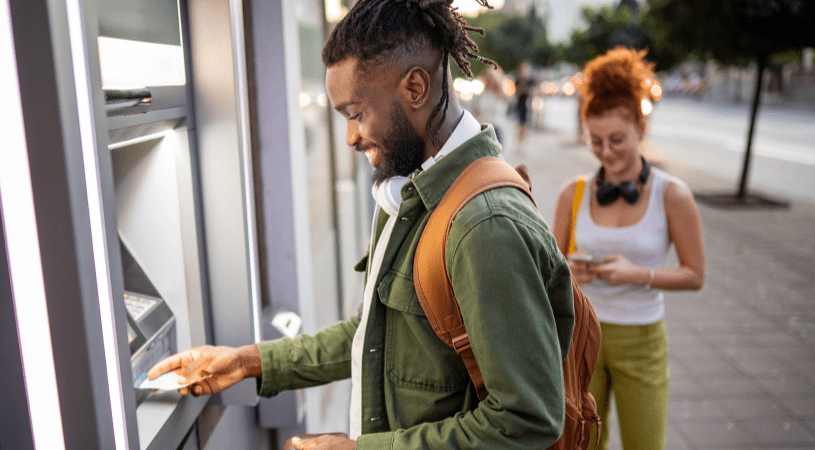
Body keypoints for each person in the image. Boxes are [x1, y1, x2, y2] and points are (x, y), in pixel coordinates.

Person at [148, 1, 575, 449]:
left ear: (414, 87)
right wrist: (249, 362)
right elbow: (376, 335)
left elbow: (527, 418)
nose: (351, 137)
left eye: (355, 113)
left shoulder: (484, 226)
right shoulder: (417, 192)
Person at [550, 47, 705, 450]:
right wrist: (570, 270)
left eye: (617, 139)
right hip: (582, 338)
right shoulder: (574, 193)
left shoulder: (673, 195)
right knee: (583, 444)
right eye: (596, 141)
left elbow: (695, 275)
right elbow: (550, 269)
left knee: (645, 443)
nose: (606, 152)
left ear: (642, 127)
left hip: (642, 339)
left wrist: (638, 274)